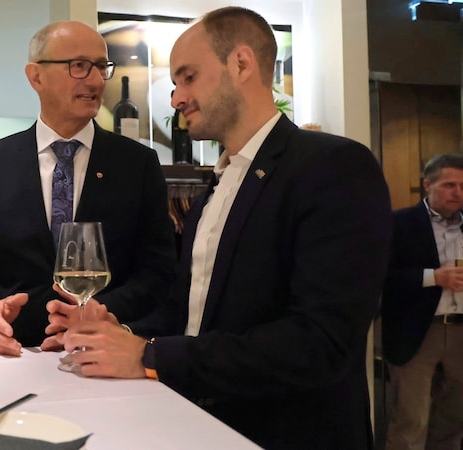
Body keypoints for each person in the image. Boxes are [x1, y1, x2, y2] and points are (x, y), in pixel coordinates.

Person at [54, 7, 392, 449]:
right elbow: (188, 315)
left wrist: (150, 355)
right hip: (199, 429)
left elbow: (319, 343)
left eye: (188, 77)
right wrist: (120, 326)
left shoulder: (334, 166)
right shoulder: (214, 189)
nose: (176, 98)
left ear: (242, 63)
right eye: (175, 83)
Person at [0, 21, 176, 356]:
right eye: (79, 66)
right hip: (14, 357)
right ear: (36, 76)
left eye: (101, 67)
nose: (96, 80)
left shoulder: (137, 164)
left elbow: (159, 270)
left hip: (104, 357)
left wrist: (106, 314)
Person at [382, 153, 463, 450]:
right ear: (428, 185)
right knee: (411, 419)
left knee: (455, 418)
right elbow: (382, 276)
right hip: (417, 331)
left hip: (460, 332)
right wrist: (434, 277)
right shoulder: (399, 222)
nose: (458, 193)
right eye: (449, 185)